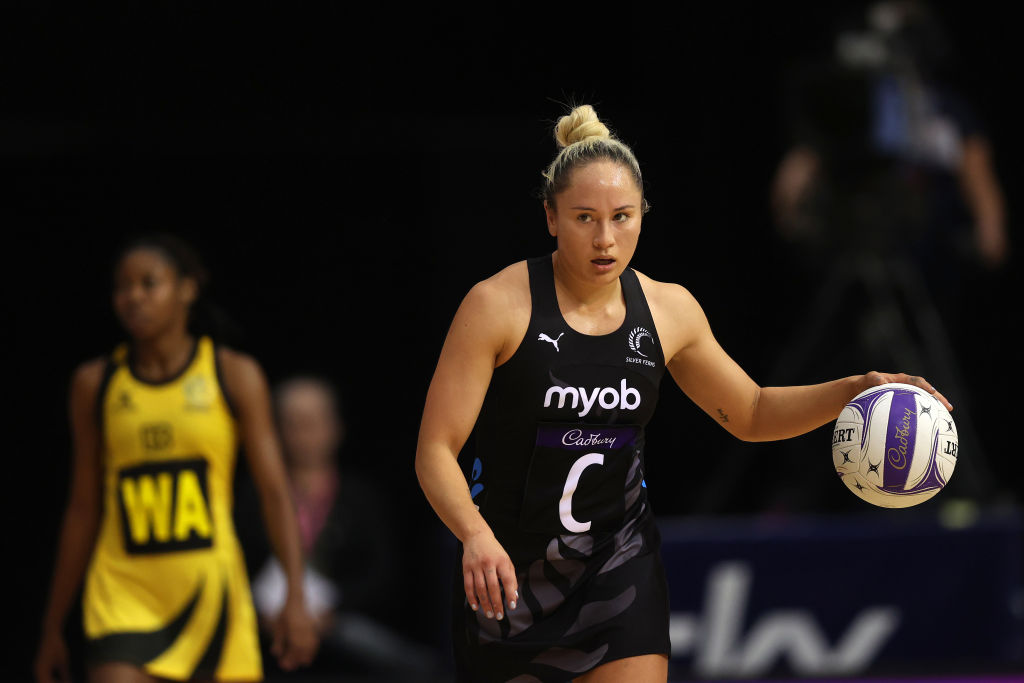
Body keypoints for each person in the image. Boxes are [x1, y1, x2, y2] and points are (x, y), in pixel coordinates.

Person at [414, 104, 951, 683]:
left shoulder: (669, 310)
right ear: (550, 217)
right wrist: (475, 535)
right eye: (583, 218)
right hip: (509, 572)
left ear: (642, 214)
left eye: (621, 217)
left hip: (618, 566)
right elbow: (435, 451)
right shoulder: (496, 305)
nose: (604, 238)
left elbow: (749, 411)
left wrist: (853, 390)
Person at [34, 234, 318, 683]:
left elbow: (275, 494)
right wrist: (52, 625)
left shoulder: (233, 374)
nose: (134, 297)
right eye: (122, 287)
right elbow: (83, 508)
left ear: (187, 288)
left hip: (212, 596)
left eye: (150, 283)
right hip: (122, 593)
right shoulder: (95, 383)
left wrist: (296, 598)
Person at [247, 376, 438, 677]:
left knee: (412, 665)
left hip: (342, 626)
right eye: (292, 423)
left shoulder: (361, 496)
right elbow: (235, 564)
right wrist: (263, 615)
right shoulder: (254, 497)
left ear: (335, 427)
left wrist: (331, 613)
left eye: (312, 422)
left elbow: (383, 574)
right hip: (265, 627)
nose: (302, 434)